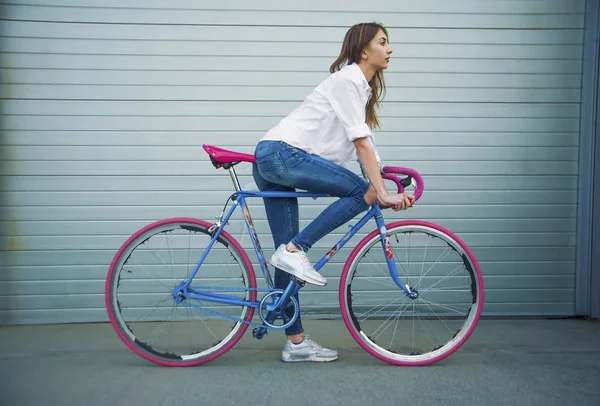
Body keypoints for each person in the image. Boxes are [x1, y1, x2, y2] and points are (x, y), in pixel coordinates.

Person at [252, 22, 415, 363]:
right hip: (284, 154)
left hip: (275, 157)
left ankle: (295, 341)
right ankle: (298, 248)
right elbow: (360, 144)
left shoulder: (361, 88)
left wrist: (391, 184)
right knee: (362, 193)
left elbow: (367, 148)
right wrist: (380, 192)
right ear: (363, 50)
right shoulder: (348, 79)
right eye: (383, 42)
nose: (390, 49)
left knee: (285, 254)